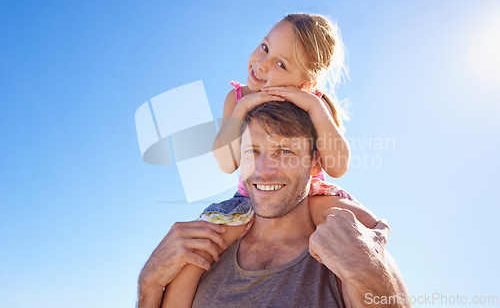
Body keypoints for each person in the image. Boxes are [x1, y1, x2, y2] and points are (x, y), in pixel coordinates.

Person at [158, 13, 363, 306]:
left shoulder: (313, 102)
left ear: (307, 80)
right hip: (250, 198)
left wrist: (317, 108)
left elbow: (338, 167)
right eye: (265, 47)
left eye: (281, 64)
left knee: (352, 220)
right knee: (200, 251)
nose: (262, 64)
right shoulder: (237, 96)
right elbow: (226, 162)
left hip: (305, 196)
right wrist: (241, 109)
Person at [137, 101, 410, 307]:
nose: (263, 170)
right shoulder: (205, 250)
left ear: (315, 161)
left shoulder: (350, 250)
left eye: (285, 151)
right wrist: (149, 285)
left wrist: (366, 273)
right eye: (251, 151)